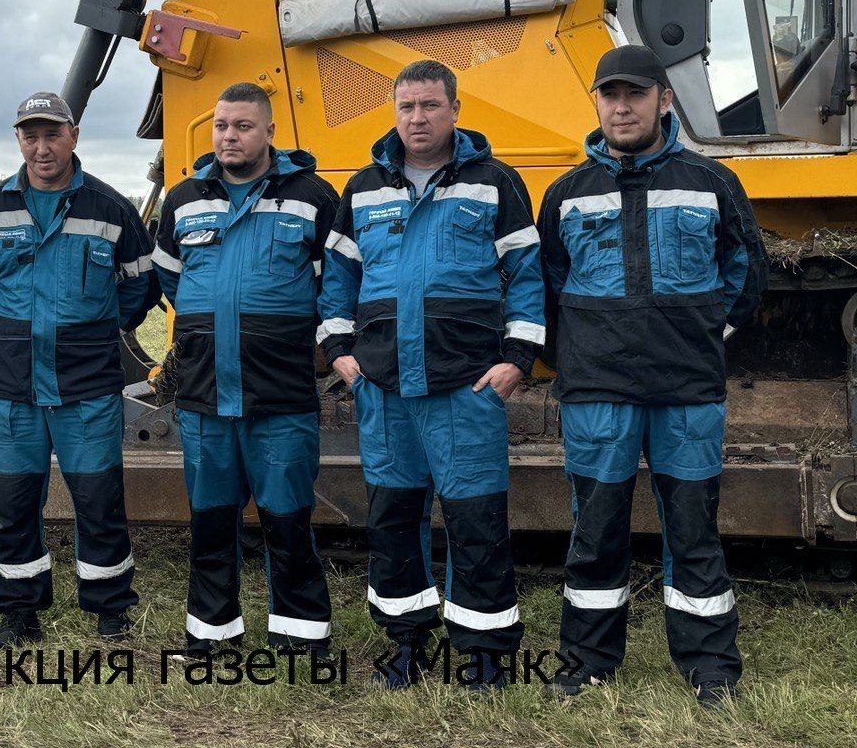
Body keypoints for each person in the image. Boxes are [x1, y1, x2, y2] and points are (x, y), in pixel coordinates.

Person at [538, 45, 767, 705]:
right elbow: (546, 289)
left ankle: (711, 668)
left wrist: (700, 336)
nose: (622, 106)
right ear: (598, 103)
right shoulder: (566, 193)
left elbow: (746, 273)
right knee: (595, 532)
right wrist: (577, 354)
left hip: (687, 391)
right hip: (596, 395)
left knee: (694, 528)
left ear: (665, 100)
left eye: (635, 94)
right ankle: (585, 664)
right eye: (610, 94)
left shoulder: (710, 182)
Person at [318, 59, 544, 690]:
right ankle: (404, 646)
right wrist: (341, 353)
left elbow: (527, 277)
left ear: (454, 110)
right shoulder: (363, 188)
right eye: (406, 107)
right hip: (384, 389)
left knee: (476, 524)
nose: (417, 118)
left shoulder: (494, 182)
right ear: (394, 113)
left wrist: (515, 361)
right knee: (394, 523)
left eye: (429, 106)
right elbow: (337, 280)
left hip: (465, 387)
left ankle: (482, 653)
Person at [0, 92, 158, 648]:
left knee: (98, 498)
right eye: (31, 136)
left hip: (86, 380)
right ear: (18, 140)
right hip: (14, 382)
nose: (42, 147)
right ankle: (18, 610)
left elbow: (139, 284)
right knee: (15, 501)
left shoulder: (110, 207)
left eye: (53, 134)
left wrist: (91, 331)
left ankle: (110, 606)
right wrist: (10, 325)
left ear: (74, 136)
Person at [151, 82, 338, 656]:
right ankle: (211, 639)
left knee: (287, 520)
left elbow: (335, 282)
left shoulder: (312, 196)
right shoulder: (182, 200)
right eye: (222, 126)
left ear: (271, 133)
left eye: (243, 126)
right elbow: (171, 279)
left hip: (279, 395)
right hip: (207, 396)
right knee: (210, 523)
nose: (230, 136)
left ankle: (301, 638)